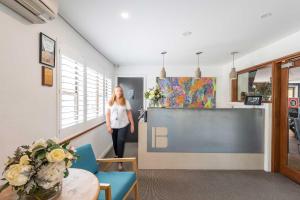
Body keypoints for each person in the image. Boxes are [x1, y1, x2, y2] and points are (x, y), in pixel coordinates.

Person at [105, 86, 134, 170]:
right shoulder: (110, 102)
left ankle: (120, 162)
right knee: (115, 143)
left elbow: (129, 113)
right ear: (114, 92)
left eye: (120, 91)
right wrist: (108, 126)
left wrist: (132, 124)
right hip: (113, 126)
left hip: (123, 125)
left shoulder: (125, 101)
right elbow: (107, 115)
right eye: (117, 91)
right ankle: (118, 155)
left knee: (120, 141)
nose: (119, 92)